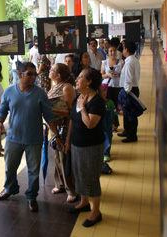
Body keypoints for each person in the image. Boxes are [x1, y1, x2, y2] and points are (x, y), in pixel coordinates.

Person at [0, 62, 63, 213]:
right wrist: (0, 123)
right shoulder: (9, 92)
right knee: (9, 167)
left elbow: (48, 115)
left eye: (35, 74)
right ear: (20, 75)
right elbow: (2, 109)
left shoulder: (40, 93)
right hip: (13, 137)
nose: (34, 77)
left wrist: (57, 135)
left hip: (34, 139)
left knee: (33, 170)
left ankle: (31, 197)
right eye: (30, 74)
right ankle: (9, 189)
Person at [66, 68, 105, 228]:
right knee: (79, 173)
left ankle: (96, 212)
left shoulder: (97, 102)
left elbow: (90, 124)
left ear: (89, 82)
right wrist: (68, 141)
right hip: (76, 143)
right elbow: (72, 120)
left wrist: (83, 108)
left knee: (91, 178)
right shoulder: (79, 97)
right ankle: (84, 203)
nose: (76, 80)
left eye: (80, 78)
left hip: (91, 146)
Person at [48, 63, 78, 202]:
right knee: (56, 157)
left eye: (52, 70)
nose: (50, 71)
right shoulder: (54, 86)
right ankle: (59, 183)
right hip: (54, 129)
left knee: (64, 158)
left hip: (64, 128)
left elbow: (72, 112)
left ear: (58, 75)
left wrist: (51, 111)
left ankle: (71, 189)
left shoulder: (67, 88)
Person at [118, 42, 141, 143]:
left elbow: (128, 79)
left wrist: (125, 93)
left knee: (131, 114)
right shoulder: (133, 60)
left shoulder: (129, 63)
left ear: (126, 50)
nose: (123, 51)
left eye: (123, 48)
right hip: (132, 89)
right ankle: (127, 131)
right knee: (127, 113)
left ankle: (132, 135)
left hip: (129, 90)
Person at [101, 45, 124, 132]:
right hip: (108, 87)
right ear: (108, 52)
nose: (112, 53)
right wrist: (108, 75)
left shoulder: (121, 62)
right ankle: (112, 123)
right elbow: (102, 75)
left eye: (114, 51)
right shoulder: (104, 63)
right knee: (109, 106)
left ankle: (115, 123)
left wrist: (119, 75)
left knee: (115, 106)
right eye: (110, 51)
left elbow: (124, 74)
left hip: (117, 86)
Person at [99, 86, 115, 162]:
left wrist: (115, 123)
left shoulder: (110, 102)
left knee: (108, 139)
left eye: (104, 91)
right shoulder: (97, 104)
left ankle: (107, 153)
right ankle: (103, 153)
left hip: (108, 126)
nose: (104, 93)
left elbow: (114, 114)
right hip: (101, 126)